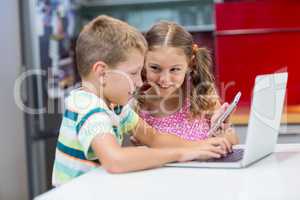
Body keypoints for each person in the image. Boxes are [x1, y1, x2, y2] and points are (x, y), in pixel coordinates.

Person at [52, 15, 227, 187]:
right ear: (102, 73)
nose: (140, 82)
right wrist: (180, 153)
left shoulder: (115, 107)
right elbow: (115, 160)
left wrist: (198, 147)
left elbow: (154, 137)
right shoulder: (89, 108)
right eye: (134, 73)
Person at [135, 21, 239, 145]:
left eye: (174, 69)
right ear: (143, 62)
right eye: (155, 68)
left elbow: (234, 142)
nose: (164, 79)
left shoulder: (202, 94)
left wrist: (223, 129)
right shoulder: (139, 105)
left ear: (190, 64)